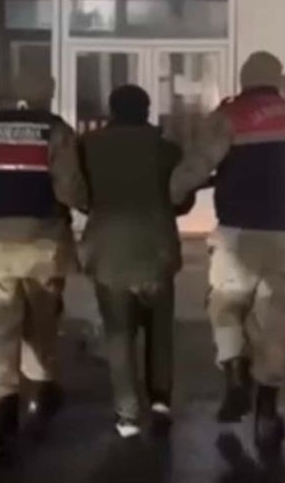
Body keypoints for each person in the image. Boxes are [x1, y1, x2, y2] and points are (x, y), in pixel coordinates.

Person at [170, 51, 285, 455]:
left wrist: (171, 193)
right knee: (273, 319)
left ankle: (235, 374)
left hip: (238, 232)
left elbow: (198, 165)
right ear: (277, 79)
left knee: (226, 305)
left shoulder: (230, 116)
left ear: (245, 78)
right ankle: (267, 411)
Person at [0, 71, 84, 463]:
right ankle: (44, 389)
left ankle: (4, 412)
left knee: (1, 330)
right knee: (42, 323)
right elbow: (69, 190)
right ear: (49, 94)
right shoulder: (56, 131)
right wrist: (89, 204)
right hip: (43, 244)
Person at [77, 85, 191, 439]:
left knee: (119, 334)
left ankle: (127, 414)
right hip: (157, 250)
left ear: (112, 111)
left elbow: (78, 192)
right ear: (146, 110)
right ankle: (160, 402)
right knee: (160, 331)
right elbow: (181, 199)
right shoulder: (166, 149)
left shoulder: (88, 147)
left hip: (109, 253)